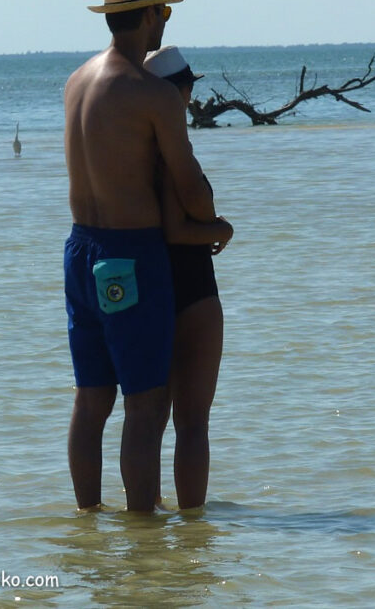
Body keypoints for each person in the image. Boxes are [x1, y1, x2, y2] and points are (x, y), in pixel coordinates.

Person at [63, 0, 215, 512]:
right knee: (146, 407)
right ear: (150, 14)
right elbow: (189, 185)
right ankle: (145, 539)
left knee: (91, 401)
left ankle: (87, 523)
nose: (163, 22)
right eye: (164, 12)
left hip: (80, 251)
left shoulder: (75, 82)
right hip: (130, 253)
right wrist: (215, 223)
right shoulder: (152, 93)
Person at [143, 46, 233, 510]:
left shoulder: (134, 146)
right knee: (193, 423)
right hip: (192, 283)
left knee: (148, 417)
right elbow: (186, 220)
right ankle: (194, 528)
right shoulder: (172, 147)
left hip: (149, 282)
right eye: (189, 87)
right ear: (177, 92)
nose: (193, 96)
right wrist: (220, 228)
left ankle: (147, 520)